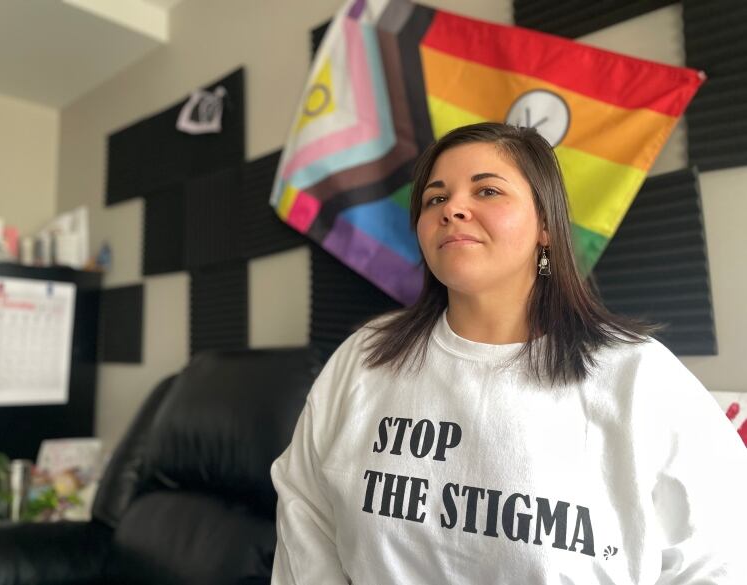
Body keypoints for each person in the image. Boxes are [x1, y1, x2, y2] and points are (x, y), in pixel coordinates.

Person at [270, 122, 747, 584]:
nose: (452, 208)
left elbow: (720, 558)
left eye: (487, 191)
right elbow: (306, 511)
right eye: (436, 198)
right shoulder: (364, 358)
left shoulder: (642, 379)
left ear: (545, 225)